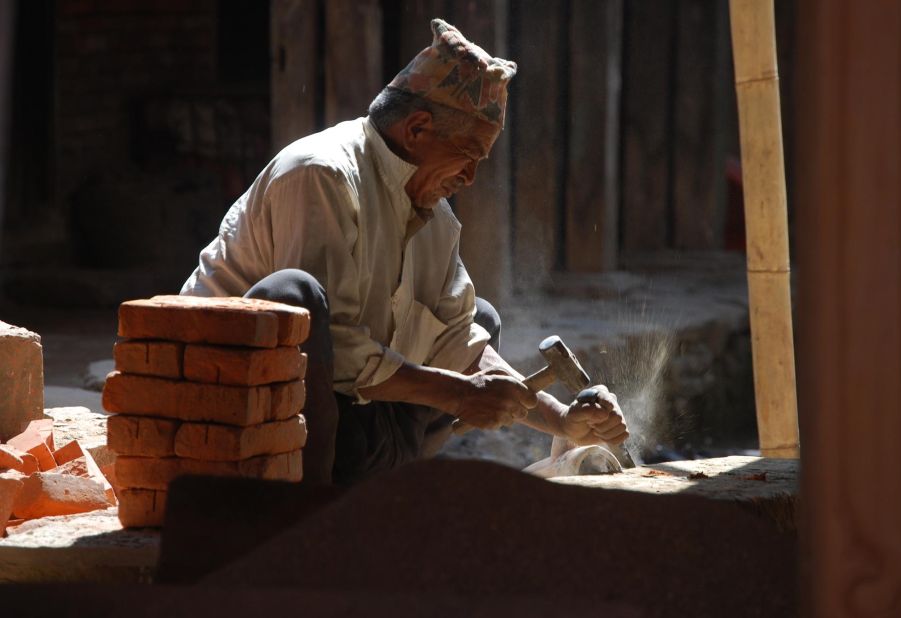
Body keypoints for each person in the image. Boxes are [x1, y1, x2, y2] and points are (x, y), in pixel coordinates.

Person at [181, 19, 628, 485]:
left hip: (346, 418)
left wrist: (561, 421)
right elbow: (334, 341)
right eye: (468, 155)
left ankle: (376, 497)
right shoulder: (322, 174)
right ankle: (304, 519)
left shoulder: (435, 215)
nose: (471, 178)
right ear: (417, 128)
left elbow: (457, 339)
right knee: (295, 296)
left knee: (482, 320)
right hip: (229, 409)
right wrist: (459, 394)